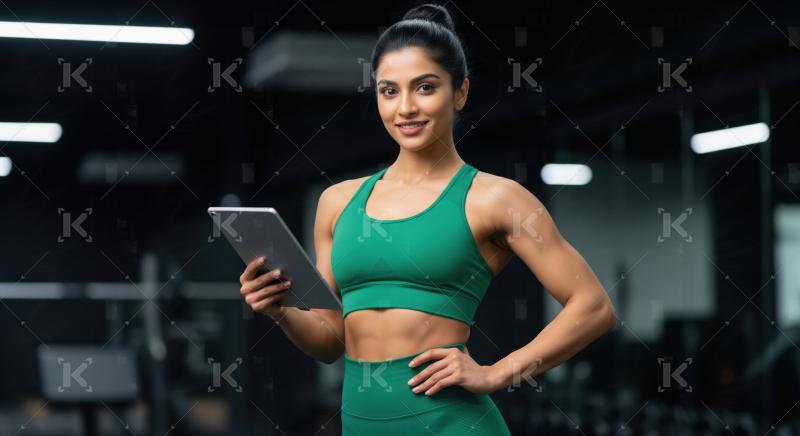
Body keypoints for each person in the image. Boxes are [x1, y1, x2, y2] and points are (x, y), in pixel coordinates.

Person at [238, 3, 617, 434]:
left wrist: (498, 372)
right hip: (363, 424)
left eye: (424, 87)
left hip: (451, 422)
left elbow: (595, 307)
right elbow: (330, 342)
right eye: (389, 90)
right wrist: (280, 310)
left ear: (460, 93)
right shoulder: (337, 202)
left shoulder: (495, 198)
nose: (405, 108)